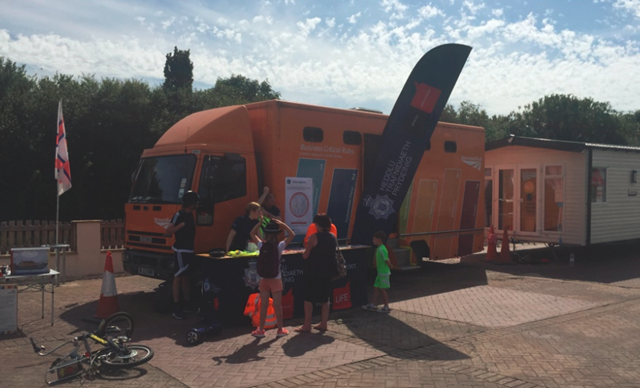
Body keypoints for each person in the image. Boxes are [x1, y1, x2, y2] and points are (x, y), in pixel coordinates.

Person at [249, 218, 295, 338]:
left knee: (264, 304)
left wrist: (259, 224)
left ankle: (260, 329)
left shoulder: (261, 245)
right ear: (276, 234)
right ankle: (280, 329)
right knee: (277, 304)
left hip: (263, 278)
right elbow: (292, 235)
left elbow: (252, 234)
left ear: (266, 233)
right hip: (276, 278)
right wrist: (283, 225)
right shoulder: (279, 246)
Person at [296, 214, 337, 333]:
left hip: (313, 272)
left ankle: (307, 325)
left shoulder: (314, 237)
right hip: (327, 271)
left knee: (308, 298)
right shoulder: (332, 236)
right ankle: (324, 323)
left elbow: (306, 255)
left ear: (318, 225)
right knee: (325, 298)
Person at [164, 190, 199, 319]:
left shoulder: (191, 216)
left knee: (186, 277)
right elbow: (167, 231)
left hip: (189, 249)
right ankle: (176, 306)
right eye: (195, 202)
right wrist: (181, 226)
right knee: (178, 276)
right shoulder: (179, 215)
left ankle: (188, 303)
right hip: (180, 249)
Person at [362, 231, 391, 313]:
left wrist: (390, 265)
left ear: (379, 239)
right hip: (380, 273)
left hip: (383, 273)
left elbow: (386, 259)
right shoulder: (379, 248)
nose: (373, 240)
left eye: (374, 239)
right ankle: (373, 304)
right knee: (376, 288)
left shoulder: (382, 249)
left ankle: (386, 306)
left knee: (382, 289)